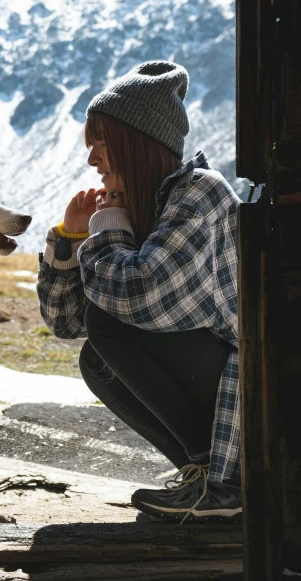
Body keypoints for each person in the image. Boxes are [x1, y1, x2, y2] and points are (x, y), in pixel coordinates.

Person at [37, 60, 241, 521]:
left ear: (137, 144)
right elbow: (66, 324)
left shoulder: (199, 193)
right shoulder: (144, 207)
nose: (93, 161)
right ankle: (203, 478)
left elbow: (140, 298)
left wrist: (108, 230)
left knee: (111, 319)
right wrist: (69, 242)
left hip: (244, 389)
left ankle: (223, 485)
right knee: (97, 359)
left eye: (102, 145)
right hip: (211, 383)